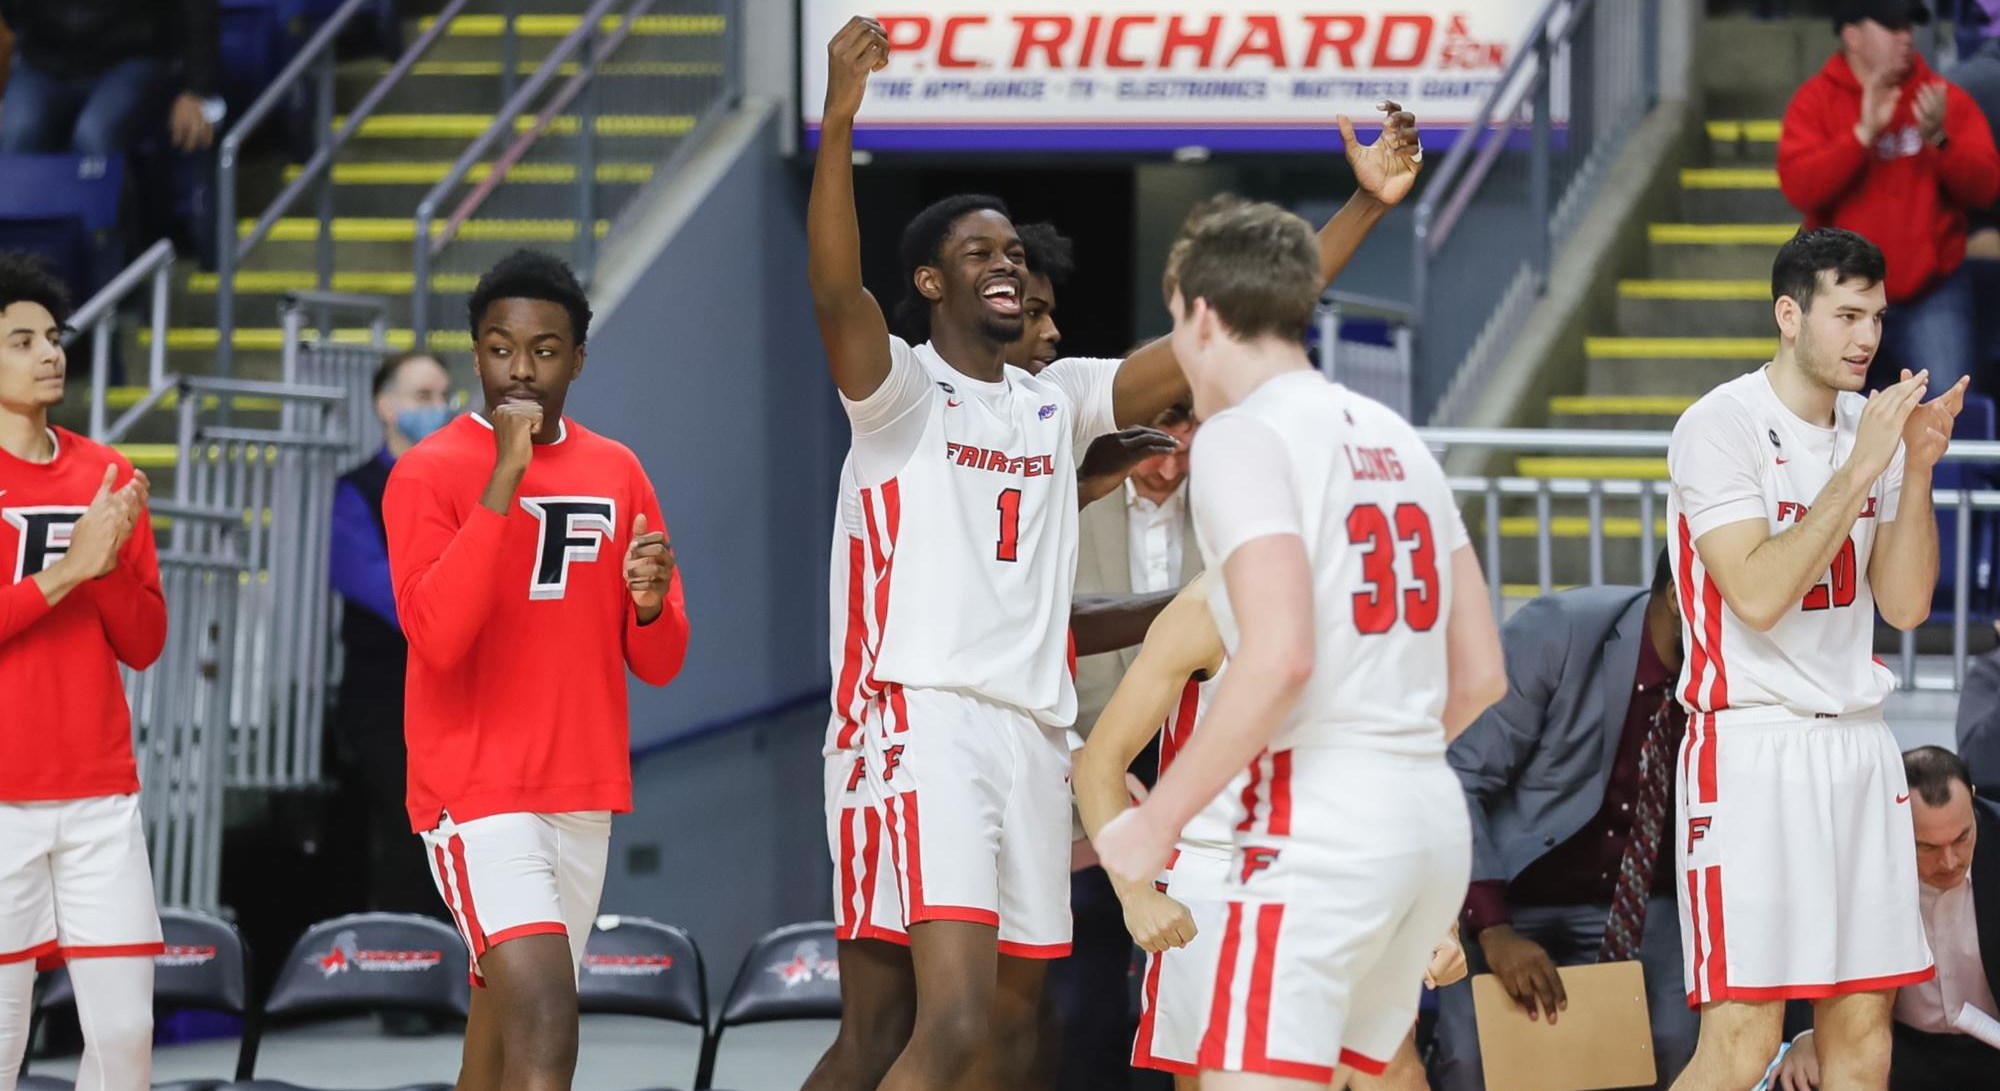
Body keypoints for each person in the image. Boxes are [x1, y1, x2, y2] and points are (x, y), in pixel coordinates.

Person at [807, 19, 1428, 1091]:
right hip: (916, 716)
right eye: (977, 253)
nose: (1004, 264)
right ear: (928, 281)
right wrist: (838, 119)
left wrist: (1364, 205)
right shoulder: (899, 394)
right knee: (945, 1021)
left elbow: (1233, 330)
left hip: (1030, 730)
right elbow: (832, 292)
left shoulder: (1060, 397)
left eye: (1012, 252)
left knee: (1010, 1032)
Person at [1095, 197, 1508, 1089]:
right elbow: (1480, 675)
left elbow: (1281, 655)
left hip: (1314, 838)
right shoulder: (1400, 439)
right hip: (1427, 831)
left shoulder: (1245, 436)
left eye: (1174, 324)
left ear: (1202, 315)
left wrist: (1154, 822)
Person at [1661, 226, 1965, 1091]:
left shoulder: (1874, 429)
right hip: (1752, 747)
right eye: (1846, 314)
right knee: (1745, 1040)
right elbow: (1755, 593)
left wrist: (1915, 468)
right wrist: (1862, 466)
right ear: (1789, 315)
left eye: (1875, 315)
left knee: (1864, 1033)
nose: (1868, 337)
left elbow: (1904, 605)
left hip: (1859, 743)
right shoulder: (1718, 426)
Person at [382, 250, 690, 1089]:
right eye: (498, 347)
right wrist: (505, 479)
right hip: (474, 792)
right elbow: (437, 636)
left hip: (583, 791)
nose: (520, 369)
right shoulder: (428, 472)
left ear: (578, 359)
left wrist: (652, 603)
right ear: (474, 353)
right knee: (548, 1023)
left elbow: (660, 661)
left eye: (545, 350)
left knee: (498, 1037)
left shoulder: (618, 469)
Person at [1076, 573, 1472, 1091]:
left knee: (1393, 1072)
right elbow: (1099, 762)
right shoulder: (1207, 609)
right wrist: (1134, 891)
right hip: (1221, 879)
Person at [1435, 558, 1698, 1091]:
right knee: (1469, 1061)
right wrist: (1495, 929)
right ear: (1677, 594)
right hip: (1511, 889)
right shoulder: (1558, 631)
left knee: (1685, 1046)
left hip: (1646, 903)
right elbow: (1457, 776)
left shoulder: (1740, 674)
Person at [0, 251, 164, 1088]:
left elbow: (145, 642)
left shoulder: (107, 474)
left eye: (53, 337)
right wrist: (68, 567)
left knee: (127, 1035)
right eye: (21, 339)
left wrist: (106, 567)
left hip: (99, 788)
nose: (48, 353)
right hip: (0, 796)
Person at [1776, 0, 2000, 392]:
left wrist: (1939, 139)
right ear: (1852, 34)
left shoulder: (1940, 98)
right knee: (1827, 421)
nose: (1905, 37)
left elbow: (1986, 187)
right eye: (1891, 26)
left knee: (1945, 412)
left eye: (1909, 26)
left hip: (1931, 295)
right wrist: (1861, 136)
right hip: (1838, 297)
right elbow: (1800, 188)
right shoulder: (1817, 101)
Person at [328, 353, 455, 985]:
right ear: (386, 404)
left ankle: (460, 983)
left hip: (460, 693)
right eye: (422, 392)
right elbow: (383, 592)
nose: (439, 402)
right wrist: (456, 602)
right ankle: (402, 984)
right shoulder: (356, 489)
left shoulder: (469, 486)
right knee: (410, 831)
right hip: (386, 699)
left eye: (443, 391)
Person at [1769, 747, 2000, 1090]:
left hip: (1993, 1049)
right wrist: (1808, 1035)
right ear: (1892, 820)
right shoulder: (1853, 857)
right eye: (1928, 847)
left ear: (1973, 802)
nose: (1950, 861)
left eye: (1962, 838)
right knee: (1799, 1080)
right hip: (1895, 1045)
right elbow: (1809, 946)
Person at [0, 0, 222, 156]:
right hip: (43, 59)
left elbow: (197, 7)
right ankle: (24, 224)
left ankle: (103, 224)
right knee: (15, 132)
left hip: (132, 56)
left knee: (94, 133)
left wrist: (196, 89)